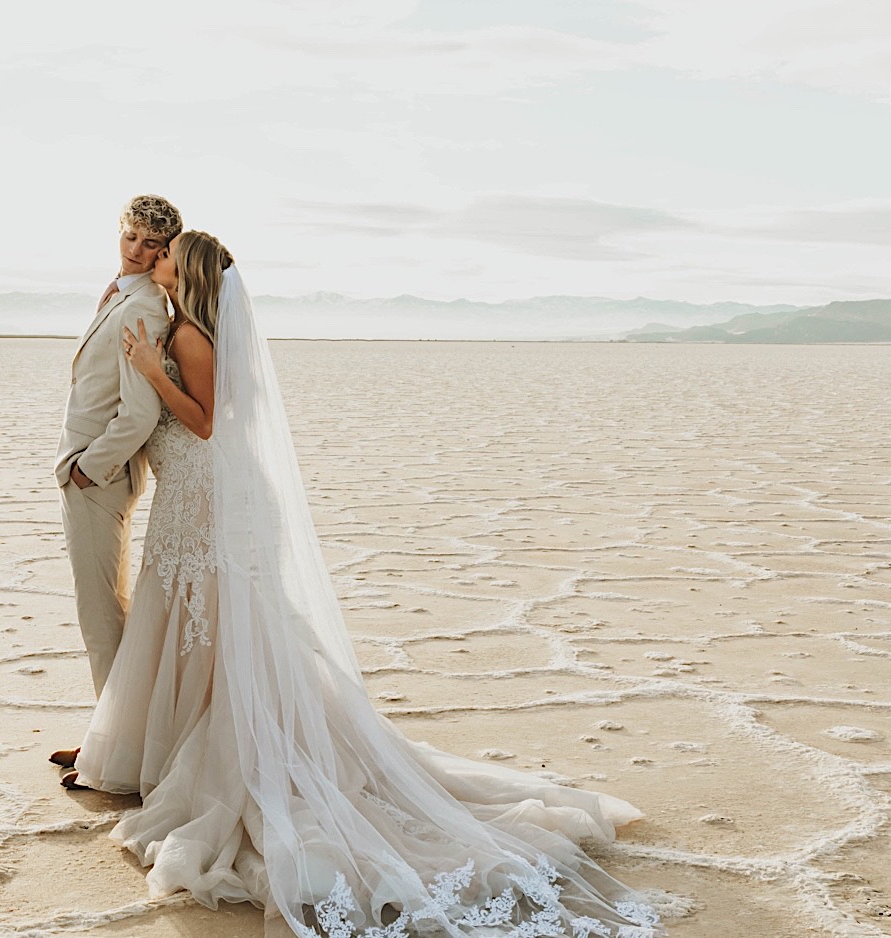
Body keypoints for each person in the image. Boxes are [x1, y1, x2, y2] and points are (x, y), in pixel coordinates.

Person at [58, 230, 662, 937]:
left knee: (216, 629)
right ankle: (157, 746)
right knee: (211, 632)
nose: (149, 258)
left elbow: (204, 422)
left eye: (162, 255)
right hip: (201, 501)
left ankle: (178, 753)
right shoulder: (193, 326)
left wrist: (151, 374)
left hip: (206, 501)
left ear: (183, 271)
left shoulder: (190, 337)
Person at [52, 194, 182, 703]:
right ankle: (117, 735)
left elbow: (141, 413)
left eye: (152, 244)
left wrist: (88, 468)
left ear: (164, 252)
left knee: (101, 613)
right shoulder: (122, 293)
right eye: (131, 236)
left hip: (98, 478)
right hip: (87, 471)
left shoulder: (147, 307)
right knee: (101, 607)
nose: (136, 250)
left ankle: (111, 748)